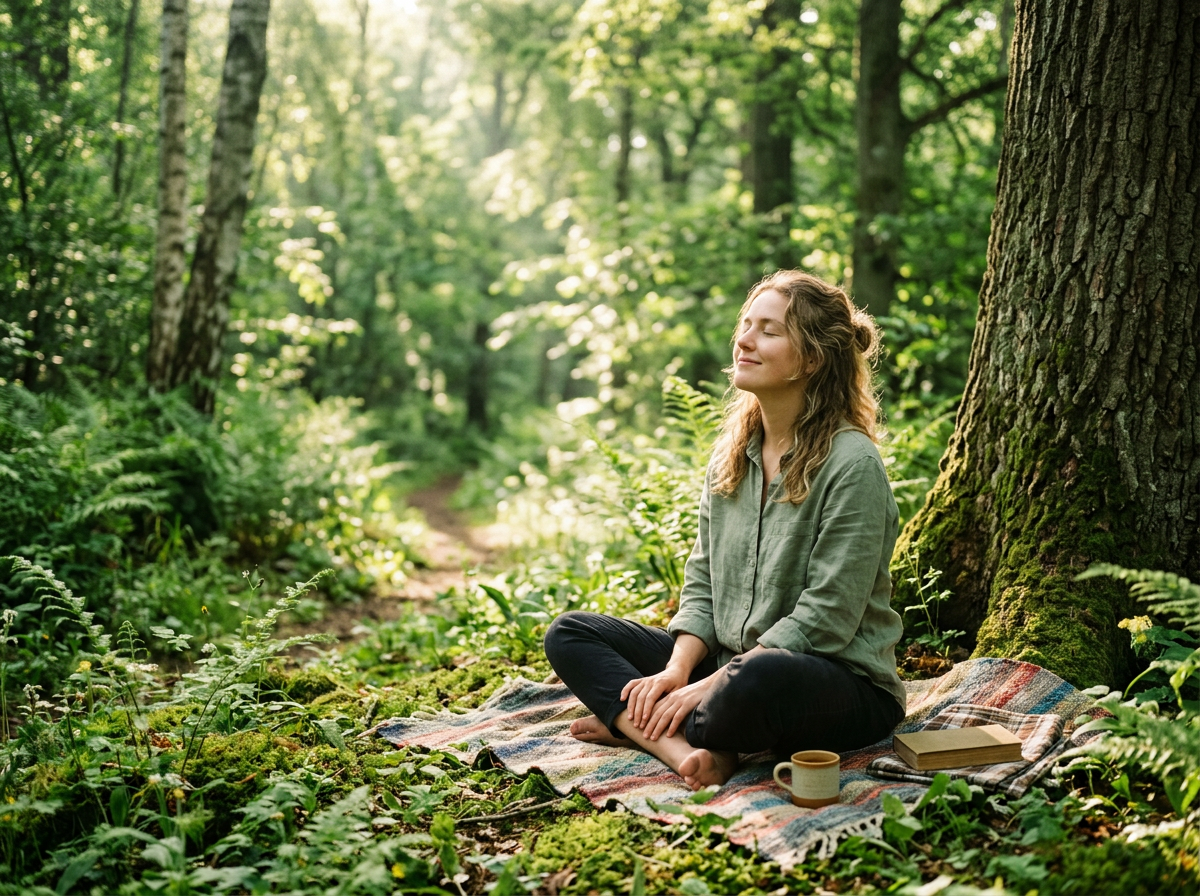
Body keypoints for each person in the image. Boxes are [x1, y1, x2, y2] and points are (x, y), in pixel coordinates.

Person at [543, 270, 906, 790]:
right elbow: (703, 584)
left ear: (811, 359)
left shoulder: (852, 464)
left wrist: (709, 686)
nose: (745, 340)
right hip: (726, 666)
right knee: (571, 634)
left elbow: (826, 619)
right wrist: (675, 674)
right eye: (746, 324)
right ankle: (681, 745)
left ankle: (636, 723)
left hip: (829, 681)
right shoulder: (732, 456)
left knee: (757, 678)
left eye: (769, 330)